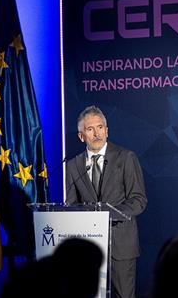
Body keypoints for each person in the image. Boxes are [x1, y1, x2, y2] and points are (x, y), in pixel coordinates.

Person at [65, 105, 147, 298]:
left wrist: (107, 215)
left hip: (121, 247)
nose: (96, 134)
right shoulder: (73, 165)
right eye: (90, 129)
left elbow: (139, 200)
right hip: (88, 247)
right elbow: (71, 206)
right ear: (81, 136)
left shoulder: (125, 157)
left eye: (100, 127)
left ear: (107, 131)